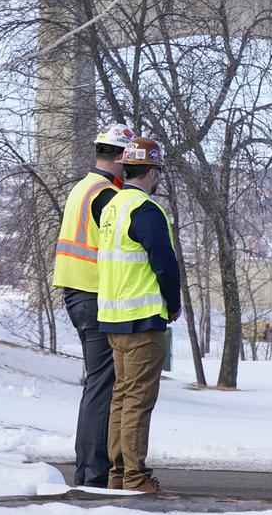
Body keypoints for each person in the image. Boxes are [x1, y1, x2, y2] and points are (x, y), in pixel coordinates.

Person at [96, 137, 180, 494]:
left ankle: (117, 473)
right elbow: (164, 262)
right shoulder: (145, 210)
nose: (157, 177)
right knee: (138, 401)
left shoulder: (112, 207)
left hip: (114, 318)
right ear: (150, 171)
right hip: (143, 320)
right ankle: (134, 476)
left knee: (122, 396)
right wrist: (173, 303)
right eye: (157, 171)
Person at [51, 123, 134, 488]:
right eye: (128, 157)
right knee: (103, 385)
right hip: (94, 295)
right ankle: (93, 472)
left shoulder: (83, 187)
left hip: (77, 292)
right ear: (119, 156)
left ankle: (89, 468)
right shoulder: (105, 195)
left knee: (97, 383)